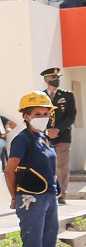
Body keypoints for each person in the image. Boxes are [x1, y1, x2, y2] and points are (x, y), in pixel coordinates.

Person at [6, 90, 69, 247]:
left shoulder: (44, 137)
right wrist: (15, 197)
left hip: (49, 196)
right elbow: (9, 170)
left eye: (45, 113)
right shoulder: (22, 139)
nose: (42, 116)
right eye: (37, 113)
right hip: (31, 198)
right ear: (26, 116)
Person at [42, 67, 76, 203]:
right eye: (54, 78)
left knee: (62, 166)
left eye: (58, 78)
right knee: (46, 164)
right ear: (46, 80)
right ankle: (48, 192)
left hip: (63, 136)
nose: (57, 80)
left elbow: (71, 116)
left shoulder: (67, 95)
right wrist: (47, 131)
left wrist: (57, 130)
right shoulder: (41, 96)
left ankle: (61, 195)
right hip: (45, 137)